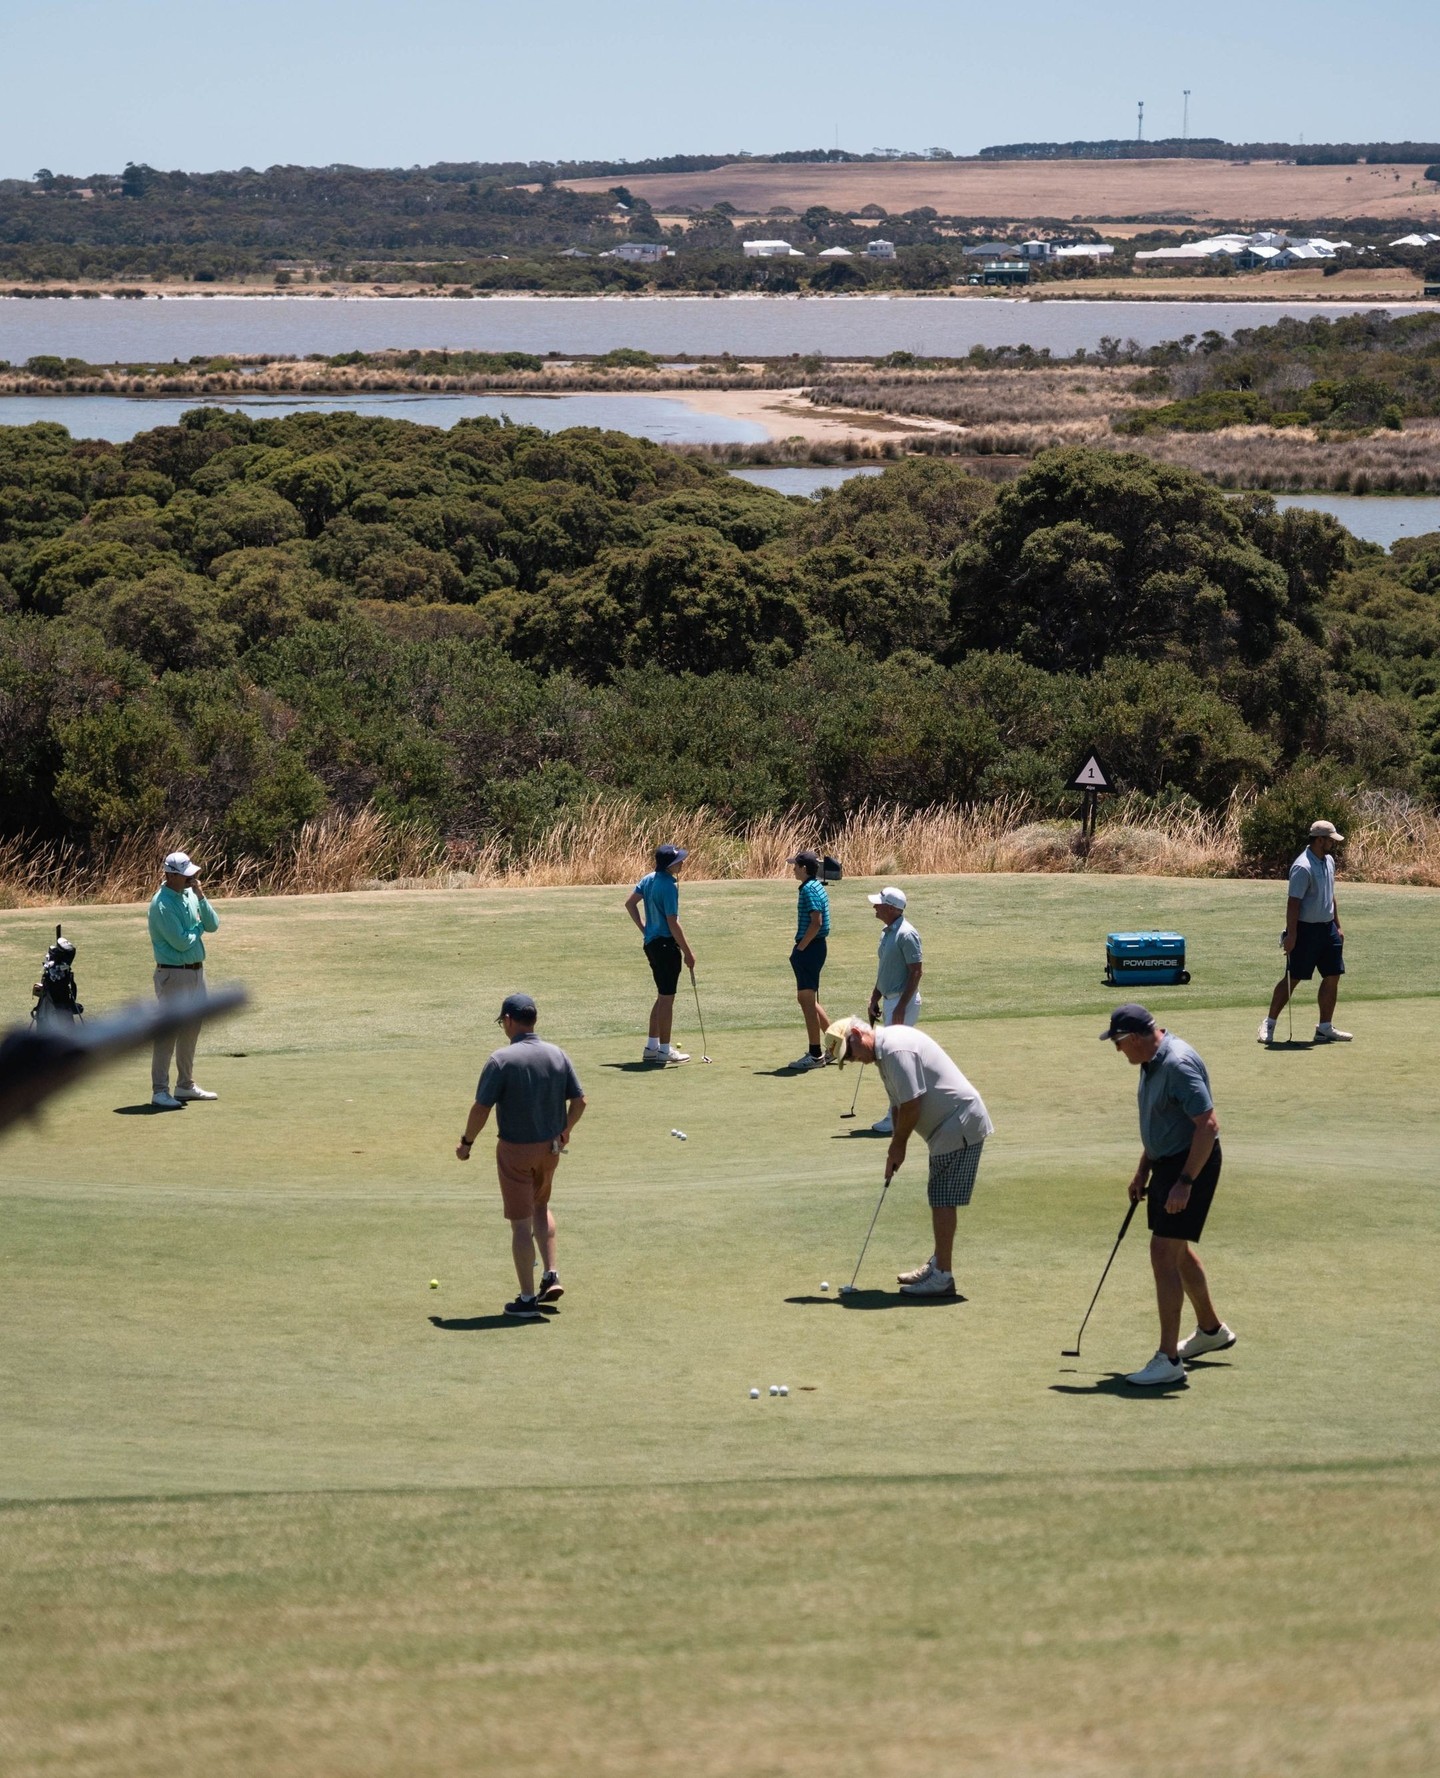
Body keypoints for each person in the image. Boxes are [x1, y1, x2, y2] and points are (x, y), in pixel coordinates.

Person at [1101, 1003, 1235, 1388]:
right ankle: (1210, 1330)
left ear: (1140, 1037)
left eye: (1119, 1042)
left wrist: (1185, 1182)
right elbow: (1163, 1121)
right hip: (1168, 1164)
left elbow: (1207, 1126)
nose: (1117, 1050)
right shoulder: (1150, 1062)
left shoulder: (1177, 1064)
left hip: (1189, 1166)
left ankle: (1168, 1359)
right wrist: (1143, 1169)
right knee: (1176, 1250)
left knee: (1163, 1252)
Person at [824, 1016, 992, 1298]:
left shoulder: (895, 1050)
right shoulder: (882, 1054)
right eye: (847, 1058)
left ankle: (943, 1277)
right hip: (948, 1127)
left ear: (857, 1033)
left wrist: (899, 1144)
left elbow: (913, 1103)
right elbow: (899, 1105)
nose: (852, 1060)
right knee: (939, 1195)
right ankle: (939, 1264)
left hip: (958, 1122)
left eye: (850, 1053)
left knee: (942, 1198)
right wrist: (894, 1147)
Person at [456, 992, 586, 1320]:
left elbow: (481, 1108)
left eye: (502, 1022)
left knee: (520, 1224)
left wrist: (467, 1142)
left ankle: (527, 1299)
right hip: (550, 1149)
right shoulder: (557, 1054)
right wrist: (565, 1130)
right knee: (541, 1206)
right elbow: (580, 1101)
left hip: (515, 1151)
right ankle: (551, 1273)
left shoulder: (501, 1060)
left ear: (510, 1021)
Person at [1259, 819, 1351, 1046]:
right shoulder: (1303, 866)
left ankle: (1325, 1027)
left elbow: (1331, 895)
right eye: (1330, 840)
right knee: (1294, 978)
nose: (1333, 843)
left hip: (1327, 928)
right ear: (1319, 839)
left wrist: (1337, 926)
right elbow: (1293, 904)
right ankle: (1268, 1023)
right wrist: (1292, 935)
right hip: (1306, 930)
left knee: (1332, 975)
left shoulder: (1329, 861)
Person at [147, 850, 220, 1110]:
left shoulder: (190, 893)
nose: (192, 878)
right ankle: (159, 1091)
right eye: (186, 875)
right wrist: (197, 929)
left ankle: (185, 1085)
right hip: (173, 973)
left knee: (191, 1029)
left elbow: (213, 924)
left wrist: (201, 896)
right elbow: (180, 942)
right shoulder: (161, 904)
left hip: (196, 973)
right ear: (169, 875)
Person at [625, 843, 694, 1066]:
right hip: (665, 946)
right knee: (667, 999)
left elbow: (630, 904)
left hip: (652, 944)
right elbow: (673, 922)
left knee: (662, 996)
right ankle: (664, 1050)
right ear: (670, 864)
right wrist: (688, 952)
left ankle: (652, 1047)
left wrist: (644, 929)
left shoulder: (648, 879)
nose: (682, 862)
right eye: (678, 860)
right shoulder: (670, 885)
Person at [866, 886, 923, 1135]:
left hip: (904, 1003)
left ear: (891, 908)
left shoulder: (907, 934)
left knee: (893, 1062)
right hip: (890, 1000)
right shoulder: (887, 932)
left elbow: (916, 972)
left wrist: (900, 1007)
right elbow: (885, 969)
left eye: (879, 904)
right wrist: (874, 998)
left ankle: (896, 1116)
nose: (875, 907)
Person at [786, 850, 831, 1070]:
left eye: (795, 865)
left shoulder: (809, 890)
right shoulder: (815, 886)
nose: (793, 868)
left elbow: (817, 922)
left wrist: (801, 947)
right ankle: (835, 1047)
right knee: (808, 1000)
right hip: (815, 948)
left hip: (810, 948)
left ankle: (816, 1055)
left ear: (804, 868)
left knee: (806, 1000)